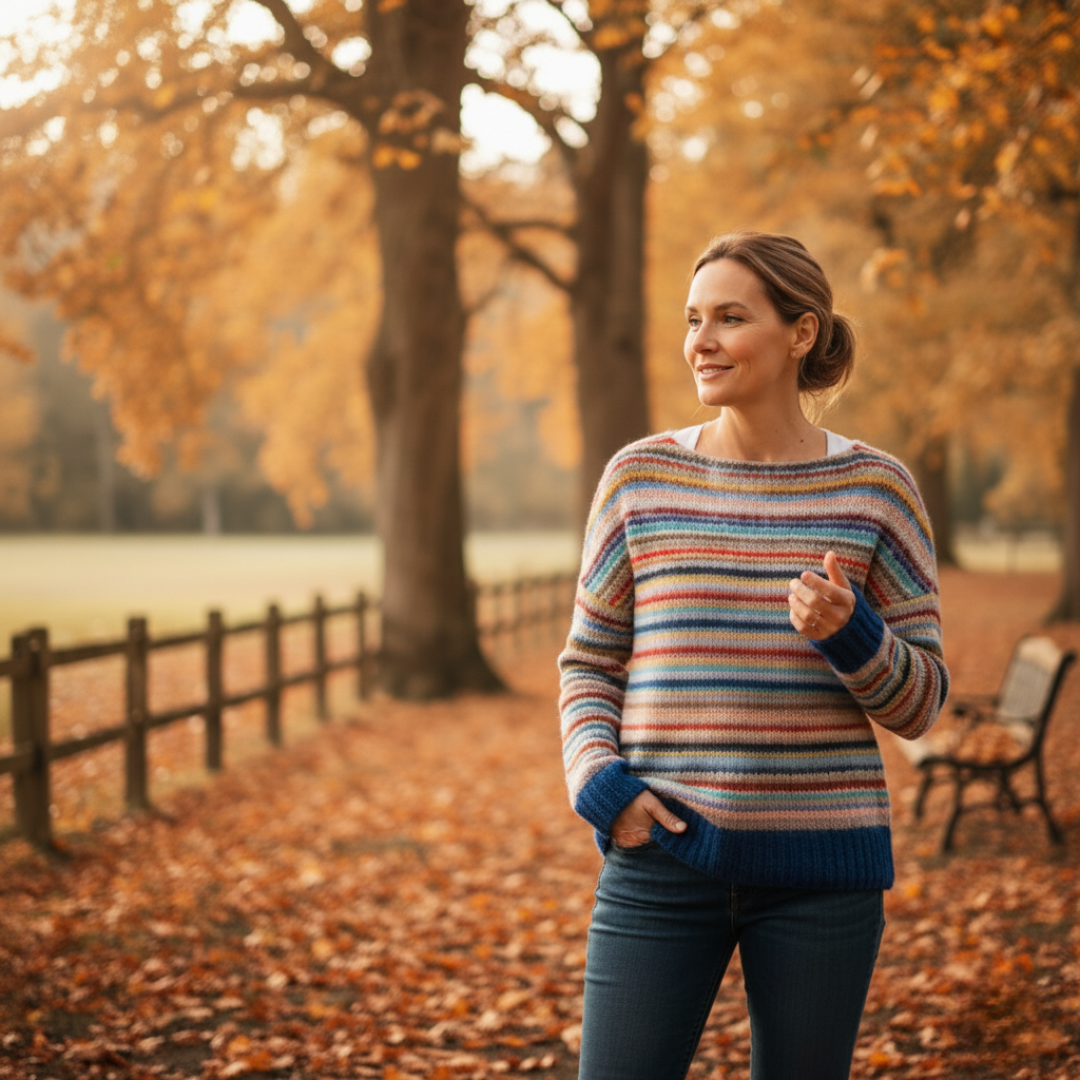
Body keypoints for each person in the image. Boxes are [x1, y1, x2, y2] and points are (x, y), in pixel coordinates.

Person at [558, 231, 949, 1080]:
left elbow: (921, 703)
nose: (701, 340)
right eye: (694, 319)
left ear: (800, 333)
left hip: (822, 875)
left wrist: (853, 635)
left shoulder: (877, 489)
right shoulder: (640, 477)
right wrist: (600, 784)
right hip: (658, 856)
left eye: (730, 318)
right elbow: (588, 662)